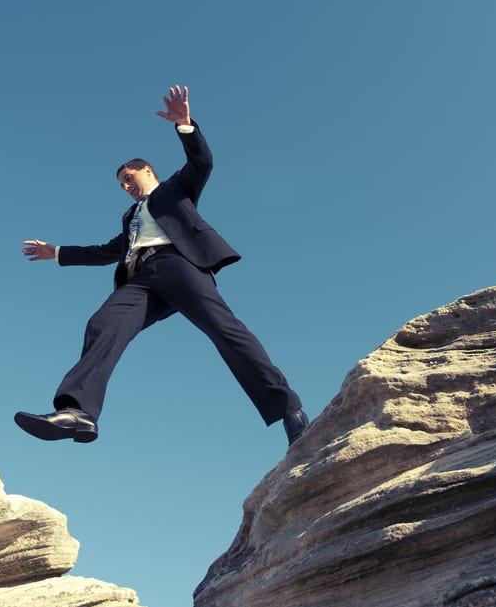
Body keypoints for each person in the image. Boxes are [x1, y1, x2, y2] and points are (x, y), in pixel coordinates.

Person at [17, 85, 309, 447]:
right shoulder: (130, 217)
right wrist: (58, 252)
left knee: (226, 331)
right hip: (140, 281)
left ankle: (289, 410)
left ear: (148, 172)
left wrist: (185, 125)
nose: (125, 186)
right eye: (121, 183)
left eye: (129, 178)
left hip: (179, 265)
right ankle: (79, 411)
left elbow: (202, 163)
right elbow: (108, 250)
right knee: (103, 323)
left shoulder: (174, 189)